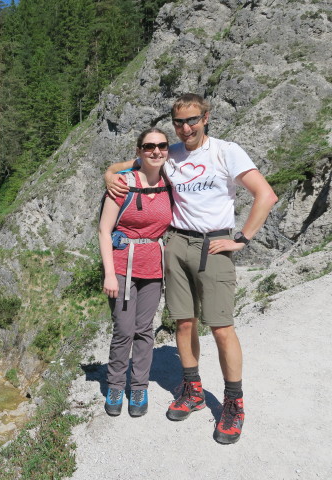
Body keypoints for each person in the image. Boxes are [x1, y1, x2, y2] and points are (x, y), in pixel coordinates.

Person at [104, 93, 278, 443]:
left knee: (221, 327)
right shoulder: (171, 154)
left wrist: (241, 239)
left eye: (193, 120)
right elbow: (133, 163)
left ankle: (233, 404)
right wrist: (110, 172)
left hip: (213, 244)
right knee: (183, 322)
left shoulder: (226, 152)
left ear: (206, 117)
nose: (186, 128)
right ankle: (193, 389)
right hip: (176, 243)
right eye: (179, 122)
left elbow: (266, 195)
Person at [99, 127, 173, 417]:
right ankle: (116, 385)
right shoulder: (122, 185)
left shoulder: (171, 181)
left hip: (153, 267)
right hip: (121, 266)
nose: (156, 151)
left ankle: (139, 386)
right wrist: (108, 273)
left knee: (144, 331)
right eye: (149, 146)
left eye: (162, 146)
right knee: (123, 330)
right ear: (139, 151)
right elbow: (104, 230)